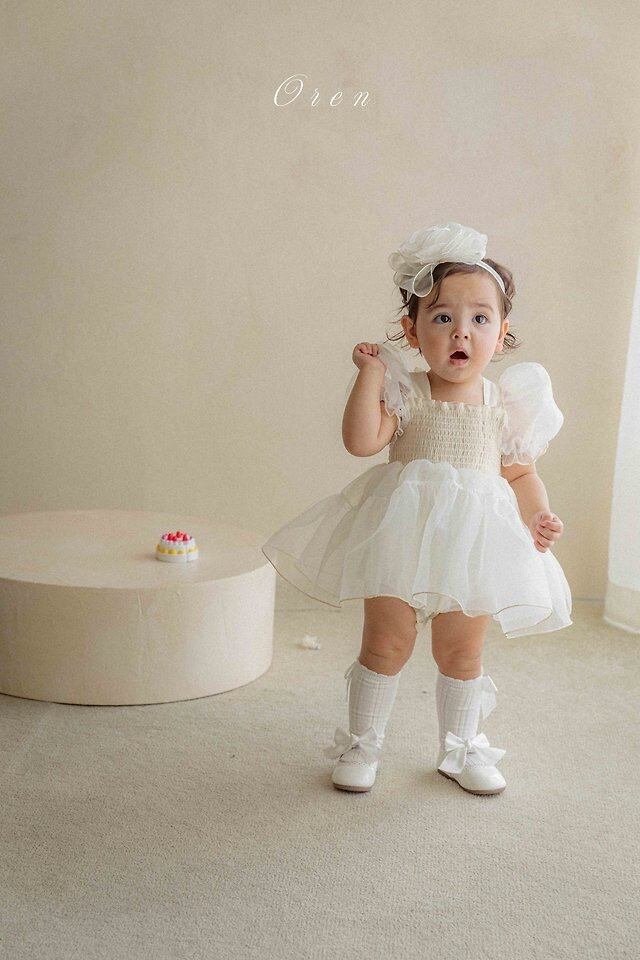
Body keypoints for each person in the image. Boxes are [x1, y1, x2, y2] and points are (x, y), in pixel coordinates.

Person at [261, 221, 572, 797]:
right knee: (386, 644)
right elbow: (361, 442)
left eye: (480, 318)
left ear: (502, 333)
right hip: (401, 538)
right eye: (443, 316)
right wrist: (371, 375)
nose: (462, 331)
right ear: (412, 330)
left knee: (462, 652)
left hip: (475, 545)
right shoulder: (408, 392)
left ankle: (461, 748)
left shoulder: (505, 404)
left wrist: (537, 516)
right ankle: (362, 743)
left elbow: (520, 473)